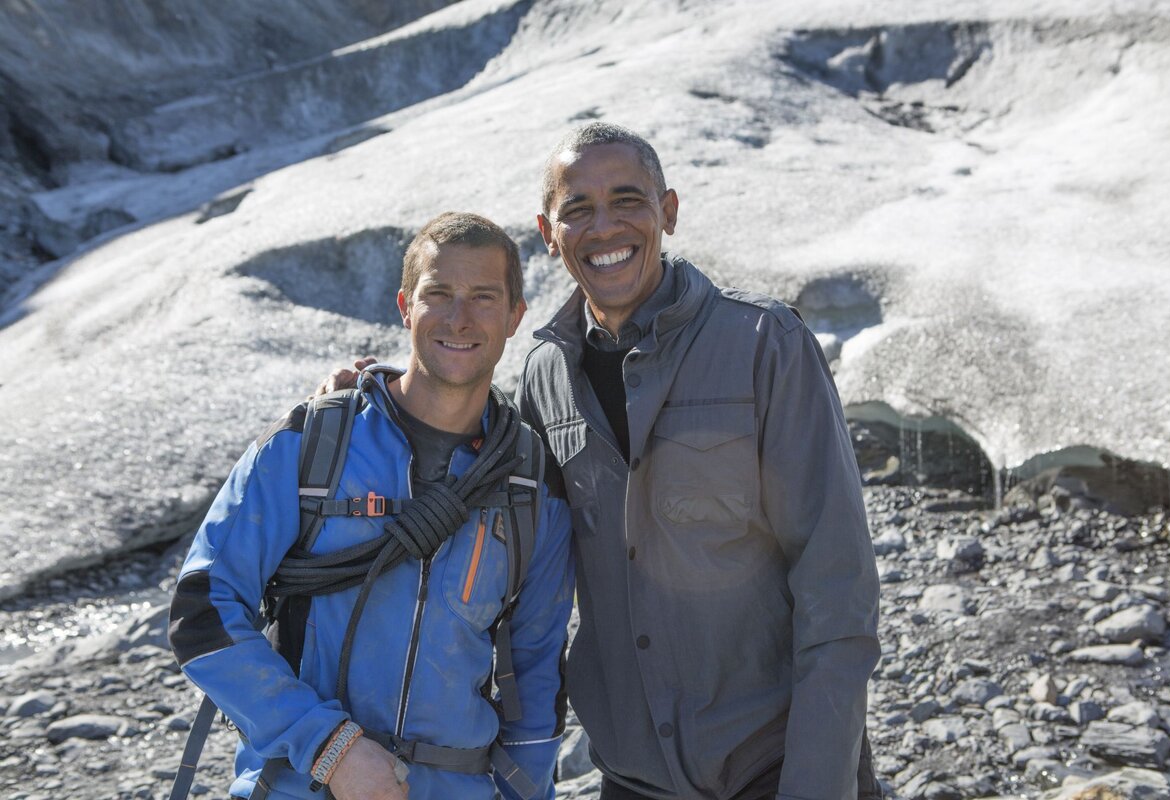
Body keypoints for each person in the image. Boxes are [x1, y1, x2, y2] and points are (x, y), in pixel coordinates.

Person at [516, 123, 881, 800]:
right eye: (577, 210)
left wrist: (817, 783)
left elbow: (839, 583)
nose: (604, 227)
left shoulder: (765, 344)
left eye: (628, 200)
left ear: (669, 212)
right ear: (548, 232)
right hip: (632, 776)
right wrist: (379, 396)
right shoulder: (544, 374)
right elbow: (492, 527)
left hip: (771, 767)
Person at [169, 212, 574, 800]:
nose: (460, 318)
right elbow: (202, 607)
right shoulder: (309, 447)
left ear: (516, 316)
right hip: (299, 784)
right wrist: (328, 748)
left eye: (484, 297)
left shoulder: (529, 484)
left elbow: (535, 675)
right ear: (406, 306)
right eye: (439, 294)